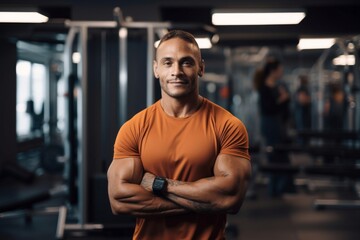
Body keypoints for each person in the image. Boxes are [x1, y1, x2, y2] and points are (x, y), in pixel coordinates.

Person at [107, 30, 251, 240]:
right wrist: (203, 202)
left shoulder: (227, 126)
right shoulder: (134, 128)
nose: (177, 71)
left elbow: (230, 197)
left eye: (186, 62)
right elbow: (119, 200)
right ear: (156, 69)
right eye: (167, 63)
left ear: (201, 68)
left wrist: (159, 184)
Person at [253, 57, 294, 197]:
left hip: (278, 123)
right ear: (273, 71)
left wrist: (284, 99)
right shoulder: (264, 89)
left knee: (281, 155)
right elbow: (269, 108)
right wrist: (282, 99)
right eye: (280, 70)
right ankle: (274, 189)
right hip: (270, 124)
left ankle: (280, 188)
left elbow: (284, 108)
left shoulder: (277, 87)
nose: (281, 73)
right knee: (275, 155)